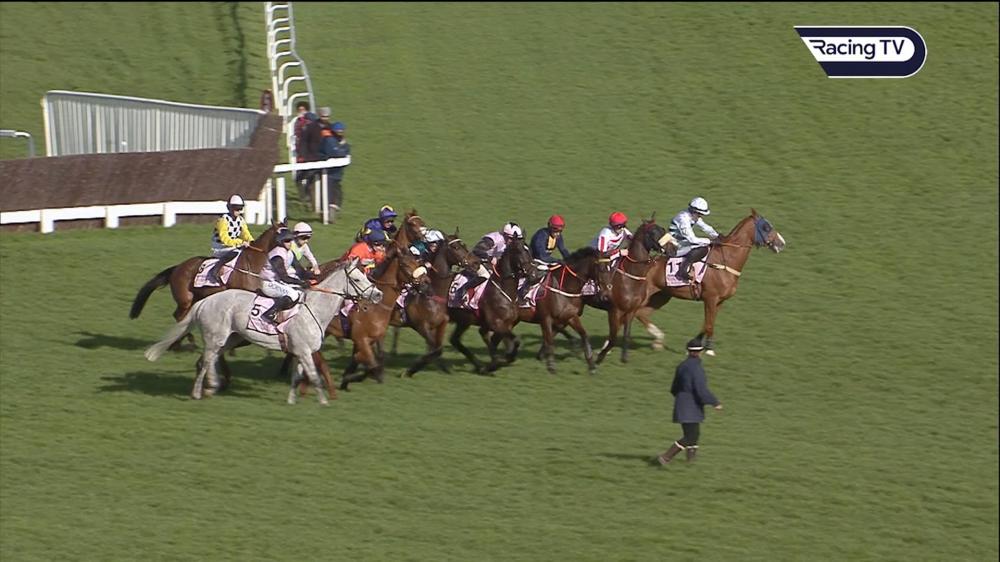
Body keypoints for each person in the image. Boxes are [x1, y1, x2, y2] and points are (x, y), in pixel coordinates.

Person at [657, 338, 723, 465]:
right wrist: (715, 402)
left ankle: (690, 463)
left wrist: (681, 399)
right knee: (690, 436)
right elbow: (701, 390)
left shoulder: (682, 366)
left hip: (682, 404)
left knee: (693, 435)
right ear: (701, 352)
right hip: (691, 406)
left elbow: (674, 388)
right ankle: (665, 457)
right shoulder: (697, 368)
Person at [457, 222, 523, 294]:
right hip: (477, 261)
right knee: (485, 275)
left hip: (491, 264)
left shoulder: (511, 244)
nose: (513, 241)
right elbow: (477, 250)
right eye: (511, 238)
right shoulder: (492, 239)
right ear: (505, 235)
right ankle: (463, 290)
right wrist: (490, 258)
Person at [259, 230, 310, 324]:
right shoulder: (277, 255)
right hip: (267, 283)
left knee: (301, 291)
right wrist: (301, 282)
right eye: (287, 241)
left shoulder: (290, 253)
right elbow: (284, 277)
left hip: (277, 282)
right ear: (281, 242)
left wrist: (312, 277)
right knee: (293, 295)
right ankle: (270, 313)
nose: (290, 243)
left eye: (291, 240)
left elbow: (299, 270)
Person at [206, 194, 255, 285]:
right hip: (220, 247)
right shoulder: (223, 220)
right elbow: (224, 239)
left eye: (240, 208)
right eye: (236, 208)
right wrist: (241, 242)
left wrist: (253, 243)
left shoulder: (241, 220)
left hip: (233, 245)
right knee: (236, 252)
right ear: (229, 208)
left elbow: (246, 234)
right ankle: (216, 271)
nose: (238, 211)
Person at [669, 197, 720, 283]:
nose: (700, 216)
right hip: (674, 246)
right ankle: (683, 270)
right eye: (700, 214)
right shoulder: (683, 219)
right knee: (702, 248)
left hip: (682, 242)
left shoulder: (692, 216)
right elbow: (692, 239)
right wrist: (710, 241)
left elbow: (705, 227)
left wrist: (717, 236)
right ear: (694, 211)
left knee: (704, 245)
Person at [319, 121, 350, 213]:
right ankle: (327, 208)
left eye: (341, 132)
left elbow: (346, 151)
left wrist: (343, 148)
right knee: (329, 189)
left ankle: (332, 207)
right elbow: (335, 153)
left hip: (337, 172)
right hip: (328, 171)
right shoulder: (329, 140)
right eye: (338, 132)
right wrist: (343, 149)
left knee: (336, 189)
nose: (340, 134)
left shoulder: (340, 141)